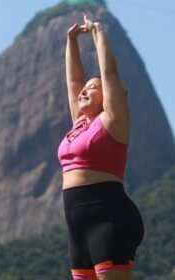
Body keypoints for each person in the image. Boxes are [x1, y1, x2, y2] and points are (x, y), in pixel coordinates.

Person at [57, 14, 144, 280]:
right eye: (85, 88)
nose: (83, 91)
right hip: (77, 226)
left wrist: (98, 32)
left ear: (108, 94)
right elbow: (73, 83)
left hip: (109, 217)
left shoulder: (112, 121)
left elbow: (110, 74)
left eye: (92, 88)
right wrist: (71, 41)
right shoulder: (79, 124)